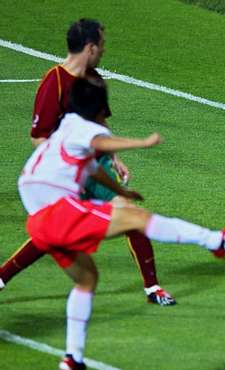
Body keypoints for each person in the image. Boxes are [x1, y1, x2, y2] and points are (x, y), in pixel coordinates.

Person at [18, 78, 225, 370]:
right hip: (56, 213)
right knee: (137, 219)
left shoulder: (67, 129)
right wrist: (142, 143)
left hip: (38, 221)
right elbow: (101, 145)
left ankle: (73, 358)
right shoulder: (86, 129)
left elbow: (91, 168)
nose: (107, 117)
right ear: (98, 110)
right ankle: (217, 241)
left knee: (87, 281)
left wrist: (120, 191)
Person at [0, 18, 176, 306]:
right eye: (102, 44)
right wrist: (60, 164)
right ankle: (2, 277)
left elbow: (99, 122)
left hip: (95, 167)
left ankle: (152, 287)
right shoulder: (54, 81)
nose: (104, 49)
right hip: (66, 172)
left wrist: (114, 158)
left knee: (129, 214)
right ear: (90, 47)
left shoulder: (93, 78)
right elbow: (38, 136)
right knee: (52, 233)